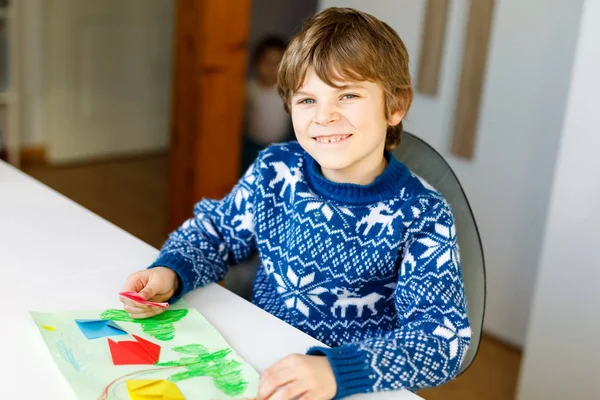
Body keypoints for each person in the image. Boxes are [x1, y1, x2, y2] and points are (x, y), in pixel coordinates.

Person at [120, 7, 471, 399]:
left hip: (351, 382)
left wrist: (339, 371)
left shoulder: (423, 213)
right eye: (307, 100)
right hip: (258, 361)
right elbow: (215, 233)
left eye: (349, 95)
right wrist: (173, 270)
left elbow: (443, 341)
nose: (325, 116)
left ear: (395, 106)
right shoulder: (276, 168)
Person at [241, 35, 294, 174]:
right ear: (256, 62)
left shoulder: (287, 90)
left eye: (277, 63)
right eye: (267, 62)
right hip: (251, 144)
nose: (271, 68)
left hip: (280, 143)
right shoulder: (249, 88)